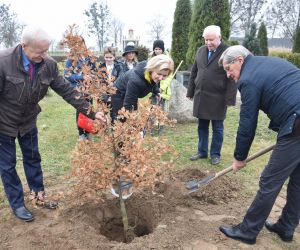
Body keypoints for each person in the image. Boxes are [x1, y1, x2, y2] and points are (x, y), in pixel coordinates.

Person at [0, 26, 106, 222]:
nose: (45, 55)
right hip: (3, 124)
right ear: (24, 46)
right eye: (40, 51)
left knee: (33, 159)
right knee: (7, 166)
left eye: (47, 50)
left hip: (28, 121)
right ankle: (17, 204)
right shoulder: (3, 62)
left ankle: (39, 197)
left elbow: (67, 90)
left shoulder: (48, 64)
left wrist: (91, 112)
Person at [218, 45, 300, 244]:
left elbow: (247, 122)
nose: (229, 74)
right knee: (298, 180)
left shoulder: (248, 79)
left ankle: (247, 231)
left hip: (297, 122)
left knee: (269, 181)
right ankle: (286, 227)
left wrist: (239, 157)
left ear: (239, 60)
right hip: (296, 121)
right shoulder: (270, 62)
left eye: (229, 69)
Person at [187, 25, 237, 165]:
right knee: (202, 126)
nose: (208, 43)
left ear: (219, 37)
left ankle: (215, 154)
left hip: (218, 98)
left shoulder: (228, 52)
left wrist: (229, 99)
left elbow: (232, 78)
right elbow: (194, 72)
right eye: (206, 40)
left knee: (217, 128)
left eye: (211, 40)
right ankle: (202, 152)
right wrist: (190, 91)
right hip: (201, 96)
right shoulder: (200, 51)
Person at [111, 54, 174, 123]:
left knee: (133, 114)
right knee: (121, 119)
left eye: (164, 75)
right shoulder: (136, 80)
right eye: (159, 74)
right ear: (151, 69)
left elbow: (153, 83)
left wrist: (156, 92)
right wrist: (133, 123)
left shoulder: (151, 74)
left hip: (132, 94)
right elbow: (128, 104)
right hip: (118, 94)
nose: (161, 78)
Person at [64, 36, 97, 141]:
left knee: (89, 109)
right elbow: (67, 75)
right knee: (80, 110)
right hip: (78, 89)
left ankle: (88, 131)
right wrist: (82, 77)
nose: (80, 45)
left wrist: (93, 75)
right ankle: (81, 133)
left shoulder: (88, 57)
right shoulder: (71, 59)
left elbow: (95, 70)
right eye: (77, 44)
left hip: (89, 89)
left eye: (81, 43)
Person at [149, 39, 172, 136]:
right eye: (156, 49)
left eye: (159, 49)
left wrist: (162, 87)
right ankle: (152, 129)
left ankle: (161, 128)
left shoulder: (167, 60)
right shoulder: (151, 60)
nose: (157, 51)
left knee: (161, 110)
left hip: (162, 90)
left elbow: (169, 76)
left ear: (162, 50)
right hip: (152, 90)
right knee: (152, 109)